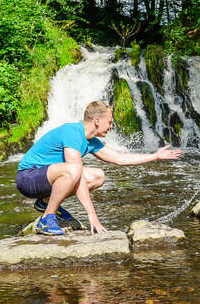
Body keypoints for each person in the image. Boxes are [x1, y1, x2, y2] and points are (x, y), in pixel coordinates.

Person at [16, 101, 182, 236]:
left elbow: (119, 158)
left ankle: (45, 202)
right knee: (75, 169)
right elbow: (75, 171)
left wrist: (155, 156)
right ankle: (47, 219)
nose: (111, 126)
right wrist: (92, 216)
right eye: (109, 122)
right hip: (28, 178)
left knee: (98, 176)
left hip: (48, 177)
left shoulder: (90, 141)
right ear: (97, 121)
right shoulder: (73, 132)